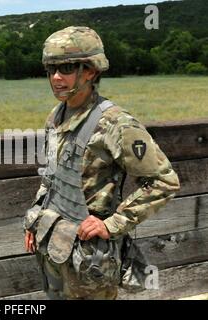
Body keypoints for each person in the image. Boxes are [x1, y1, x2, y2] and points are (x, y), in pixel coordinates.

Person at [23, 26, 180, 300]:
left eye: (67, 68)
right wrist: (35, 218)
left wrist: (112, 224)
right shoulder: (57, 116)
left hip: (90, 259)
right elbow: (52, 176)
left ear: (91, 70)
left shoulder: (116, 124)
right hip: (55, 245)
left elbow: (164, 181)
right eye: (51, 69)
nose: (57, 77)